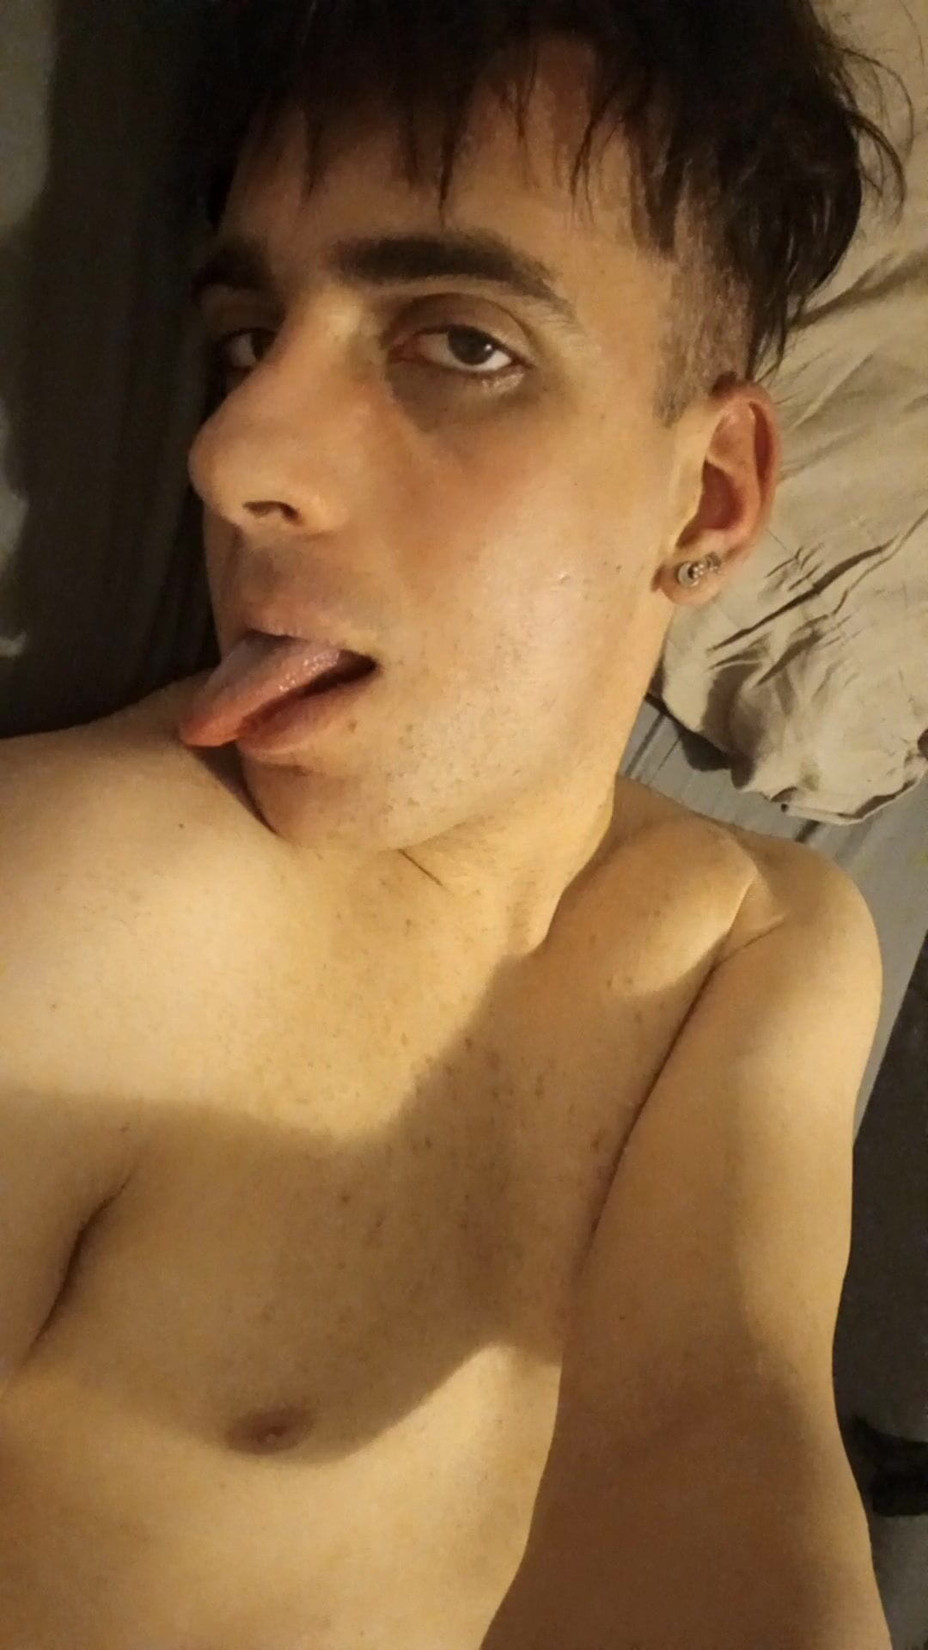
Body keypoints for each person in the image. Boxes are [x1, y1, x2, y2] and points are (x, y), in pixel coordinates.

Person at [0, 4, 907, 1646]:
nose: (229, 454)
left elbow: (709, 1420)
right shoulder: (87, 890)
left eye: (463, 345)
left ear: (707, 499)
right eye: (241, 344)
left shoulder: (753, 937)